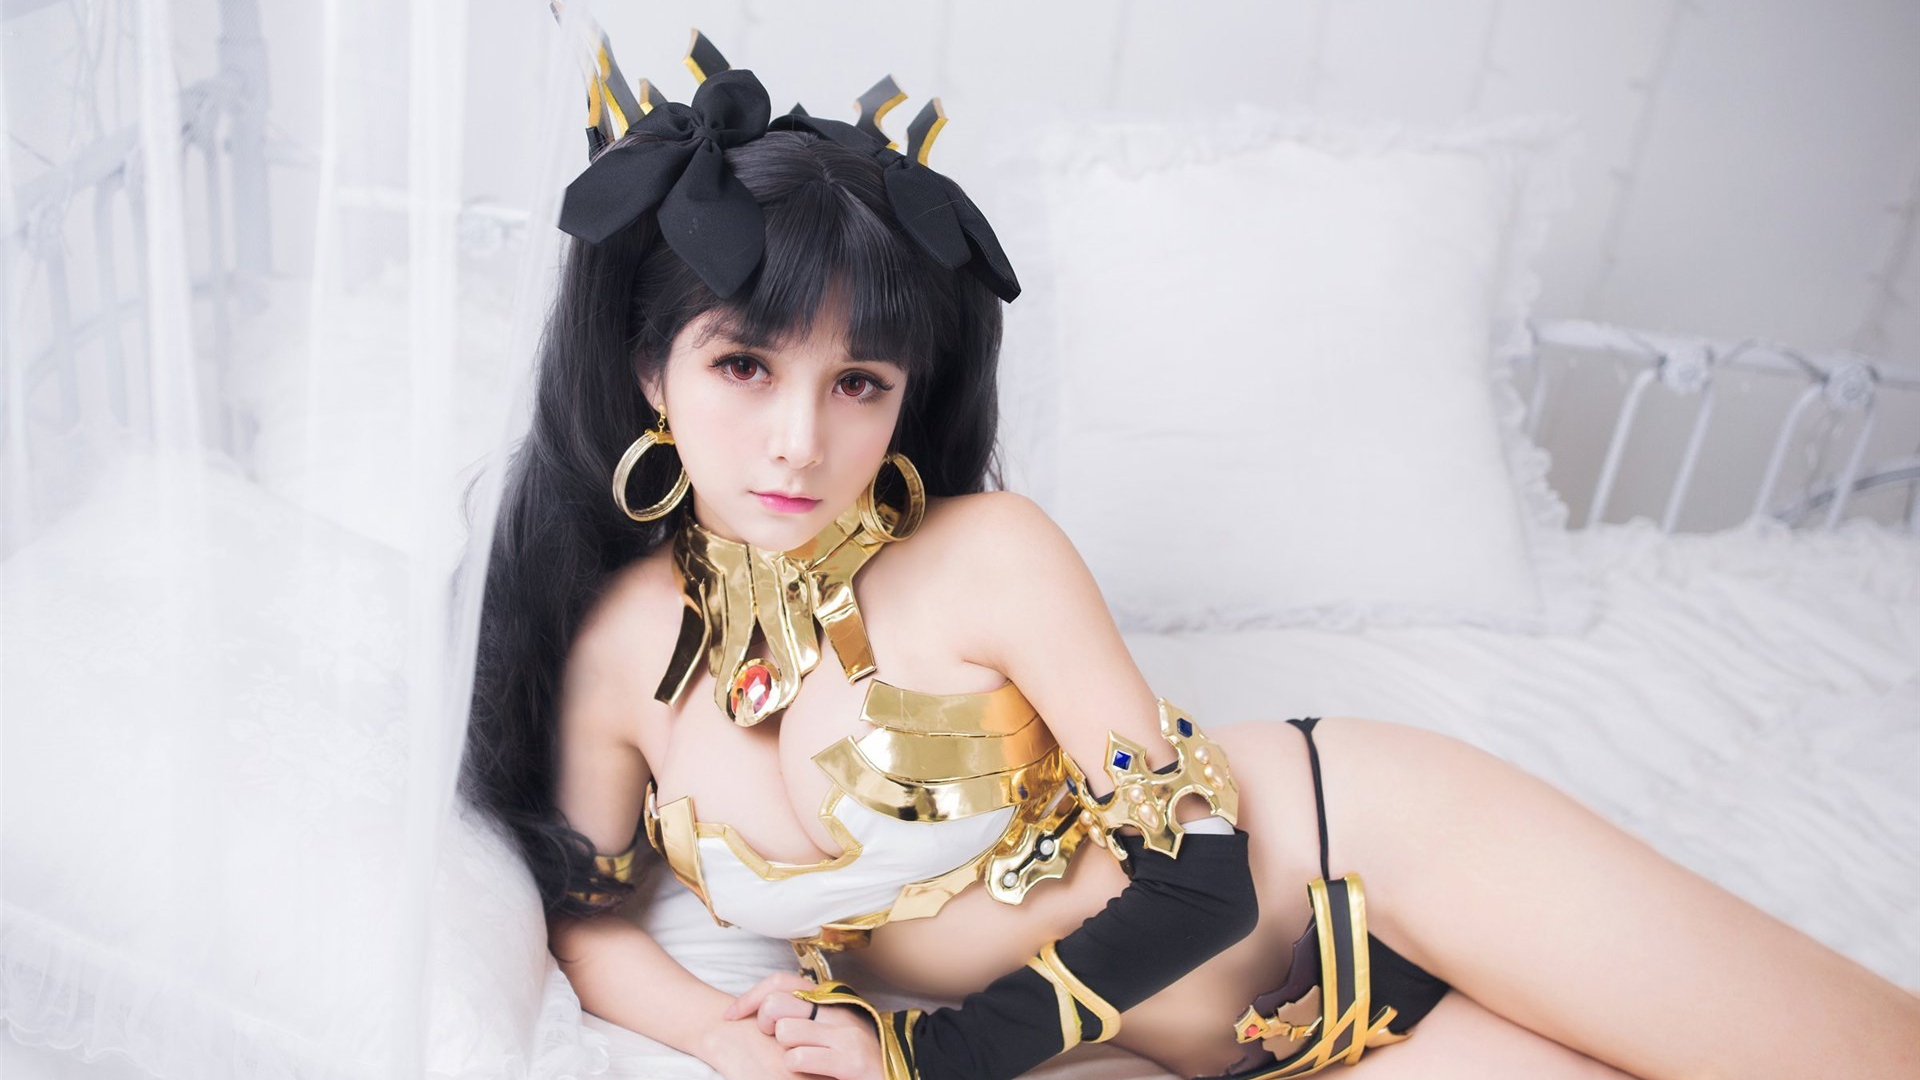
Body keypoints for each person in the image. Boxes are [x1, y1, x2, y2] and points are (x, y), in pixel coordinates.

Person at [459, 29, 1920, 1080]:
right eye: (745, 367)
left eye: (859, 383)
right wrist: (728, 1034)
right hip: (1261, 1051)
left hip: (1371, 855)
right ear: (650, 371)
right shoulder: (615, 655)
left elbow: (1202, 884)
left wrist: (913, 1058)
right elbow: (585, 923)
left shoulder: (988, 554)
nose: (799, 441)